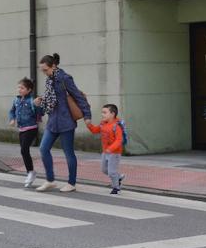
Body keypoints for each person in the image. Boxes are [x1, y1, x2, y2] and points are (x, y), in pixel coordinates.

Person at [34, 54, 91, 193]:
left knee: (68, 153)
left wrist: (87, 116)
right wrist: (39, 103)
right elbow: (51, 101)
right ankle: (50, 180)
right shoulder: (49, 80)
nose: (44, 73)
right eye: (42, 70)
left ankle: (71, 183)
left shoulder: (65, 78)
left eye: (45, 70)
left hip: (66, 122)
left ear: (53, 66)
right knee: (43, 148)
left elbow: (78, 97)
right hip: (53, 121)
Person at [9, 77, 43, 188]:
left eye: (22, 88)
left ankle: (30, 172)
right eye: (19, 87)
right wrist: (12, 119)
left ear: (29, 90)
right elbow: (12, 111)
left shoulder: (32, 101)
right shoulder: (16, 100)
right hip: (22, 129)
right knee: (24, 151)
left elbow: (41, 112)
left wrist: (37, 105)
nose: (19, 89)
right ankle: (31, 172)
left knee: (24, 149)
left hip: (31, 128)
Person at [86, 104, 126, 194]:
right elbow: (95, 130)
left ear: (112, 114)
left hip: (114, 153)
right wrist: (89, 125)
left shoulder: (116, 126)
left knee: (112, 172)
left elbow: (119, 140)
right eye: (102, 112)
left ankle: (116, 188)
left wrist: (111, 149)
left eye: (104, 112)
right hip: (105, 152)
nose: (102, 114)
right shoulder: (103, 123)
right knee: (104, 170)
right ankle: (118, 177)